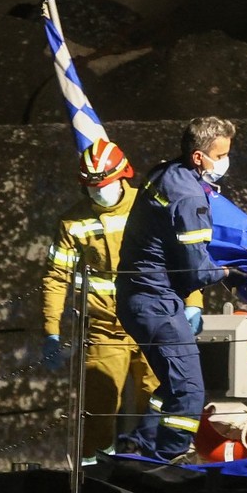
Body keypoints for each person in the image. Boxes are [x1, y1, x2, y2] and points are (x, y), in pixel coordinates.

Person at [41, 138, 205, 462]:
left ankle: (158, 466)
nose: (97, 191)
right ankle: (95, 473)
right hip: (105, 330)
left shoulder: (148, 205)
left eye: (103, 184)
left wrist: (194, 301)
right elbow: (56, 278)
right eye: (91, 186)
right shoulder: (72, 223)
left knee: (161, 397)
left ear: (123, 176)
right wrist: (51, 330)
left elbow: (182, 255)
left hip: (155, 322)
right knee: (99, 409)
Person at [114, 116, 243, 463]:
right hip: (156, 302)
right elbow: (196, 270)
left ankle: (140, 445)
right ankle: (170, 458)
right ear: (199, 157)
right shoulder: (189, 197)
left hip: (138, 298)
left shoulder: (164, 173)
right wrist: (230, 272)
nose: (226, 162)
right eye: (221, 155)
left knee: (171, 386)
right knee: (189, 391)